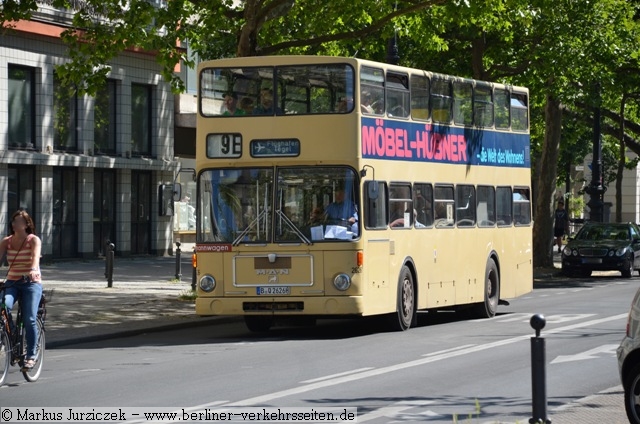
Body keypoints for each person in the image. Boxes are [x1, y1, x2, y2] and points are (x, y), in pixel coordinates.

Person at [0, 210, 43, 371]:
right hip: (12, 282)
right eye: (13, 221)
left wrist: (32, 269)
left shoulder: (33, 240)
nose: (14, 224)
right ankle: (11, 337)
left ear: (26, 225)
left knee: (29, 317)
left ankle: (31, 356)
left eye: (18, 221)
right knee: (3, 306)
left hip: (31, 283)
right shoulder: (7, 241)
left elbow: (35, 256)